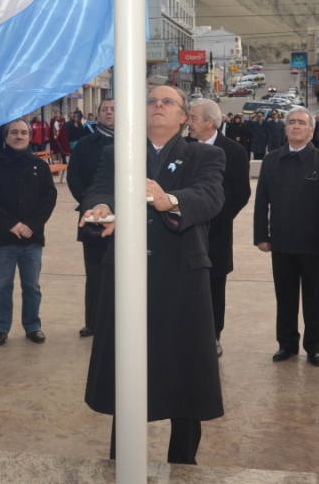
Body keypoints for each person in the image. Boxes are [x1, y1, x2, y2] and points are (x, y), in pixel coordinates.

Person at [81, 85, 225, 465]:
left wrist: (171, 200)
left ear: (183, 118)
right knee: (125, 370)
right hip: (128, 276)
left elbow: (210, 196)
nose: (158, 106)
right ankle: (123, 458)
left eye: (167, 102)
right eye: (150, 101)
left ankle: (182, 461)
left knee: (185, 371)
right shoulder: (117, 154)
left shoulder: (205, 155)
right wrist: (99, 208)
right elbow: (101, 189)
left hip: (181, 276)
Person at [254, 106, 319, 366]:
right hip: (282, 242)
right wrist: (261, 236)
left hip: (313, 246)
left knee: (314, 298)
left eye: (301, 123)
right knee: (285, 297)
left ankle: (315, 347)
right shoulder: (271, 160)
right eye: (291, 122)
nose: (296, 126)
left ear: (311, 131)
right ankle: (286, 344)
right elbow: (262, 201)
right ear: (285, 129)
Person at [186, 99, 250, 357]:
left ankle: (213, 336)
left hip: (217, 233)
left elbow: (241, 193)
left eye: (192, 118)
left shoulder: (233, 151)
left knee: (214, 287)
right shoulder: (183, 148)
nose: (187, 123)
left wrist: (218, 217)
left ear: (209, 122)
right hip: (184, 231)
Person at [0, 118, 57, 345]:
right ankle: (2, 327)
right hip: (3, 237)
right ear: (6, 137)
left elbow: (49, 198)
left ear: (29, 137)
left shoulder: (39, 166)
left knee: (32, 286)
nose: (19, 136)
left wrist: (31, 225)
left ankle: (33, 326)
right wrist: (11, 224)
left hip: (32, 238)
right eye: (14, 132)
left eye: (23, 133)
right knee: (2, 286)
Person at [66, 98, 114, 338]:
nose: (109, 112)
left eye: (114, 109)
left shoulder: (136, 143)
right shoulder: (84, 145)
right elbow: (73, 178)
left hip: (129, 220)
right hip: (92, 219)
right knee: (95, 274)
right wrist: (91, 204)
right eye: (104, 109)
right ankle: (93, 322)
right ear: (97, 115)